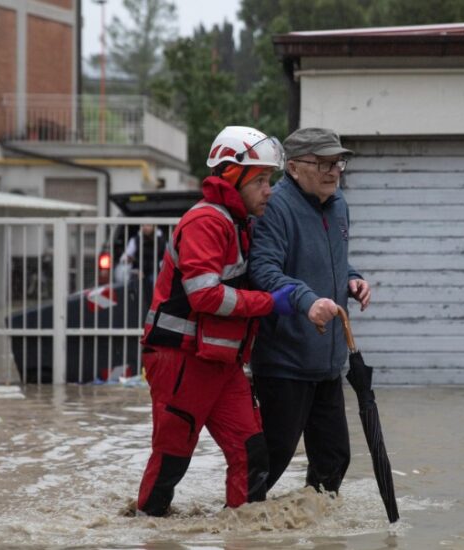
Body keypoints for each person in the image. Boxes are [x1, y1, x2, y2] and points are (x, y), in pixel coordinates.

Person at [136, 126, 296, 516]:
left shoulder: (238, 223)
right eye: (260, 180)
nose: (269, 190)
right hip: (182, 360)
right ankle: (147, 534)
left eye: (269, 180)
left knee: (253, 454)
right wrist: (269, 303)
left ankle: (242, 535)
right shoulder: (206, 222)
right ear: (231, 177)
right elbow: (204, 296)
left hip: (220, 363)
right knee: (172, 460)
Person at [248, 127, 371, 493]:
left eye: (338, 162)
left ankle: (318, 533)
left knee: (334, 459)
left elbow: (331, 262)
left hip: (328, 362)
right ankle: (236, 527)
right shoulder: (276, 207)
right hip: (285, 361)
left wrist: (352, 278)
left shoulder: (339, 204)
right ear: (295, 167)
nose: (334, 171)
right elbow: (264, 271)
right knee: (272, 459)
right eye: (323, 163)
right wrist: (306, 300)